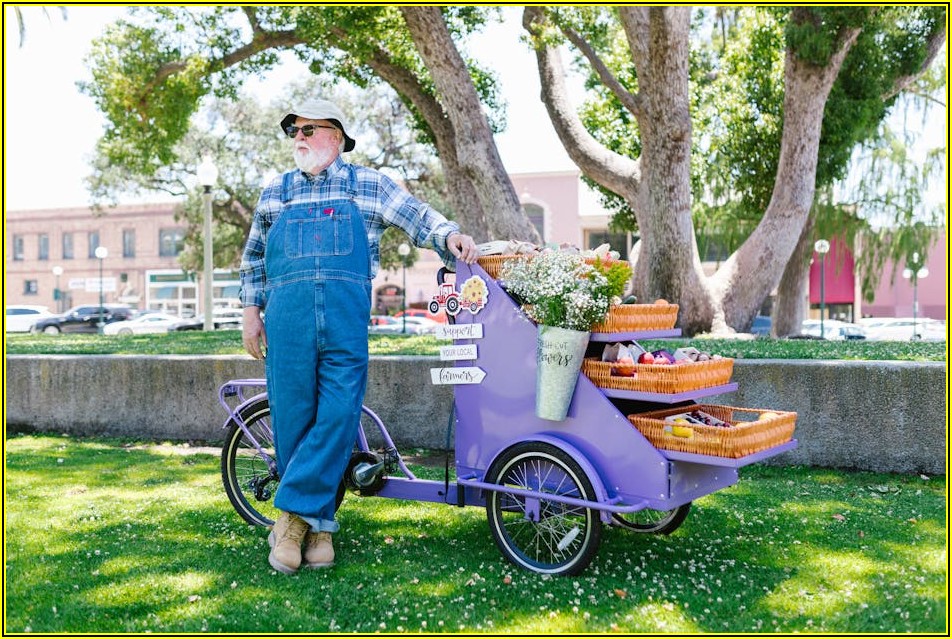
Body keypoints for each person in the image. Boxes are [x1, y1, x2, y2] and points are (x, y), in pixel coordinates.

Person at [239, 98, 478, 575]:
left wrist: (448, 236)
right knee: (292, 418)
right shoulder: (275, 193)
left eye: (309, 129)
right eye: (295, 131)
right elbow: (253, 258)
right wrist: (250, 313)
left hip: (346, 322)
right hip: (286, 321)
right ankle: (320, 525)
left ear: (338, 137)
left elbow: (415, 216)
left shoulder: (367, 184)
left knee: (338, 414)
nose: (300, 138)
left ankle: (291, 520)